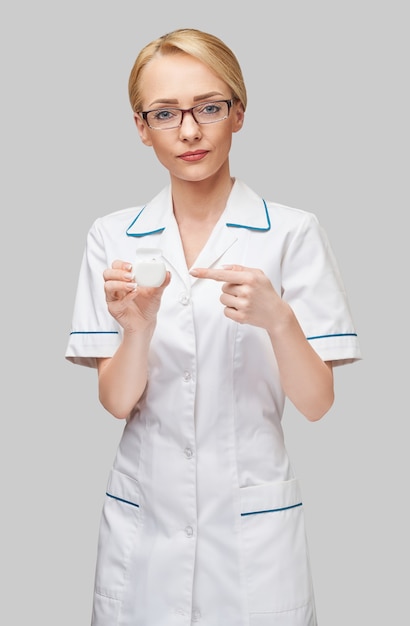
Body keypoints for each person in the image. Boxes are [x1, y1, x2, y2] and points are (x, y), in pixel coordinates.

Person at [65, 27, 361, 626]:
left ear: (239, 113)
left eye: (209, 107)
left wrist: (277, 320)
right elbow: (117, 401)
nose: (190, 130)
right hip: (144, 528)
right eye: (166, 113)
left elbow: (318, 402)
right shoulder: (112, 237)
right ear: (141, 127)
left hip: (253, 536)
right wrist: (139, 328)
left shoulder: (292, 233)